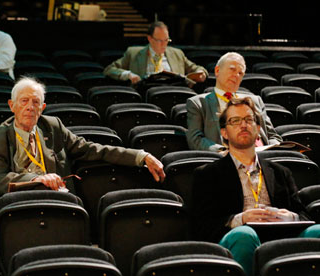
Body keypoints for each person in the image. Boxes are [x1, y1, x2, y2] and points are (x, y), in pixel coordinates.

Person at [0, 76, 166, 220]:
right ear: (12, 106)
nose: (30, 107)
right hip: (12, 206)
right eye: (24, 101)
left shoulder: (52, 127)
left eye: (35, 102)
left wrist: (141, 156)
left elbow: (92, 149)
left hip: (54, 201)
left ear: (42, 107)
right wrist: (37, 178)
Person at [190, 97, 320, 276]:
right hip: (237, 237)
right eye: (235, 121)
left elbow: (304, 214)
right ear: (224, 133)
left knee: (317, 231)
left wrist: (289, 217)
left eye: (249, 120)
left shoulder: (280, 171)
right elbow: (201, 226)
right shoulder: (207, 174)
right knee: (245, 235)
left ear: (258, 129)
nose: (243, 125)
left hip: (280, 236)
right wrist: (241, 219)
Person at [186, 52, 282, 152]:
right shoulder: (198, 103)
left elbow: (272, 136)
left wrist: (273, 149)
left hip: (260, 156)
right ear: (217, 71)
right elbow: (195, 140)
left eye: (240, 73)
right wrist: (223, 151)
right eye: (232, 69)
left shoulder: (255, 100)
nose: (236, 75)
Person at [103, 21, 208, 85]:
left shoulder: (177, 54)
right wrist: (128, 74)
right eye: (159, 40)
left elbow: (197, 68)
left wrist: (201, 73)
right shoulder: (133, 53)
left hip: (173, 94)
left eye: (166, 40)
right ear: (150, 39)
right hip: (146, 96)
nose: (163, 44)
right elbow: (109, 70)